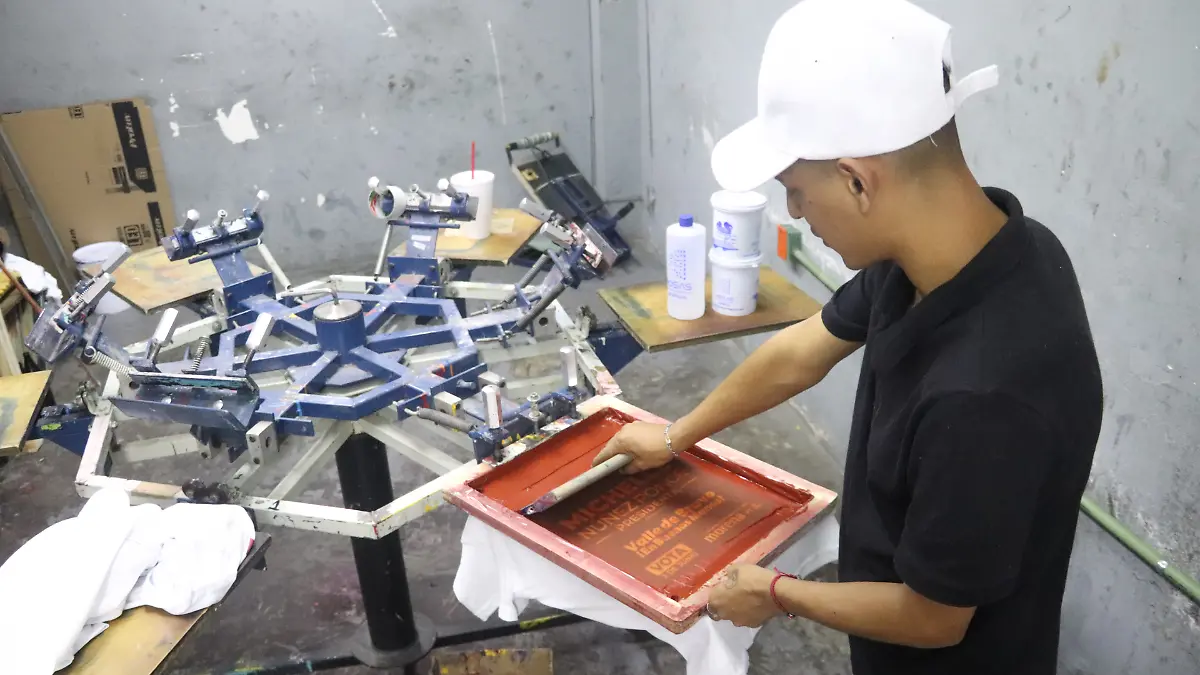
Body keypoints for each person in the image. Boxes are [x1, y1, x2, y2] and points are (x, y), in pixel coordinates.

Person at [591, 0, 1103, 673]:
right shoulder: (969, 250)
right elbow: (803, 351)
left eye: (796, 191)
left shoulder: (985, 395)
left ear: (858, 180)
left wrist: (777, 592)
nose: (795, 214)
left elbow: (934, 618)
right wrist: (672, 436)